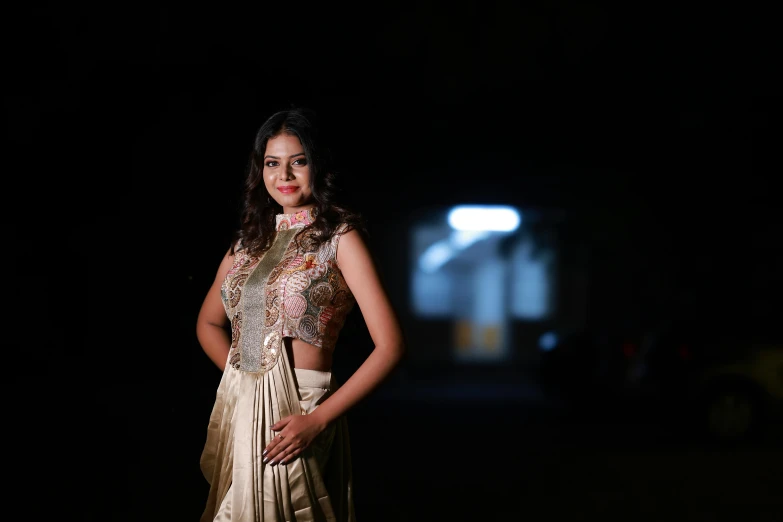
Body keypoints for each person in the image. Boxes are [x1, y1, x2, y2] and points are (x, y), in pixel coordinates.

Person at [196, 106, 405, 521]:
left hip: (301, 412)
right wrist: (241, 379)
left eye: (298, 162)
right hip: (243, 406)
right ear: (260, 170)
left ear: (318, 166)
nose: (284, 176)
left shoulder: (339, 237)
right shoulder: (247, 243)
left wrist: (319, 420)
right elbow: (209, 323)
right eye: (272, 163)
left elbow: (391, 346)